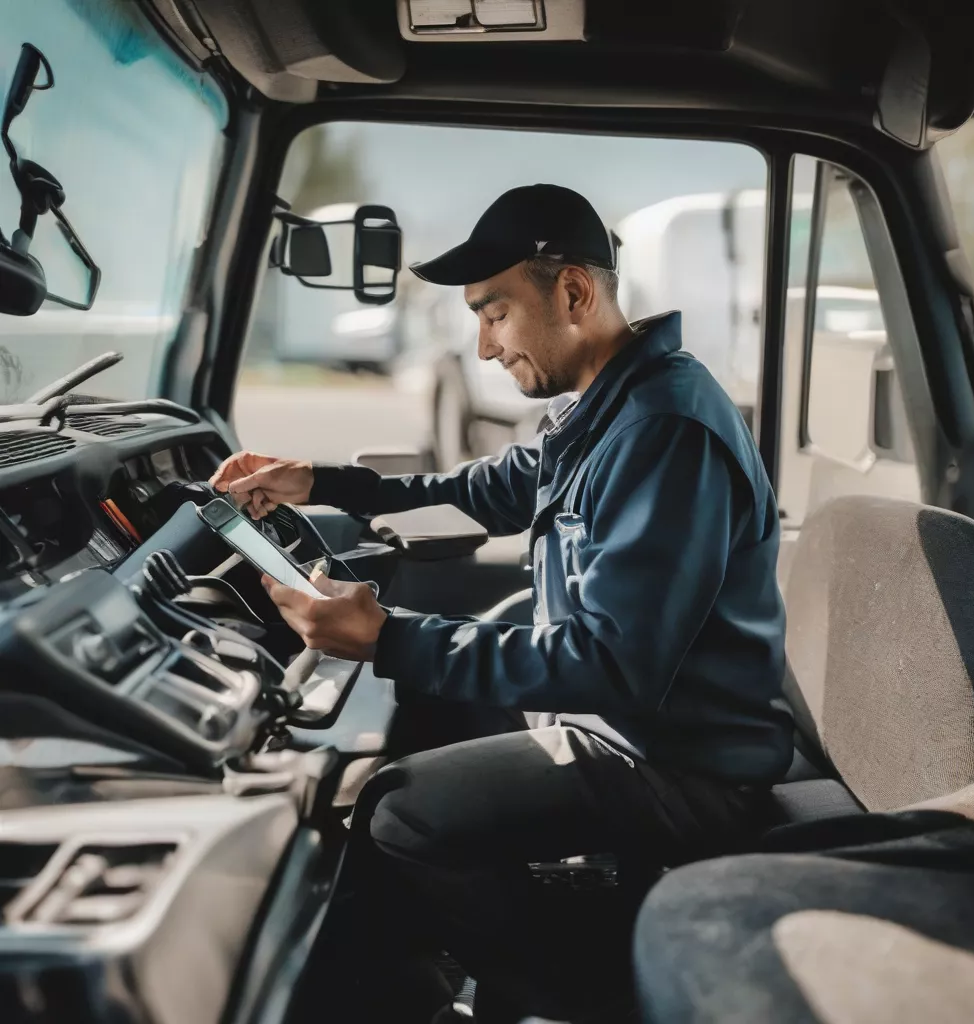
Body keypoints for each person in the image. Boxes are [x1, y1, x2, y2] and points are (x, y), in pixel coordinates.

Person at [211, 184, 794, 1023]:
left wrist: (386, 637)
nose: (484, 350)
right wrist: (321, 480)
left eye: (495, 315)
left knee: (399, 808)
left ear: (574, 293)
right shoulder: (609, 404)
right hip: (636, 726)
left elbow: (610, 664)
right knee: (420, 721)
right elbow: (492, 489)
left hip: (680, 761)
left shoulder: (662, 429)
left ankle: (567, 997)